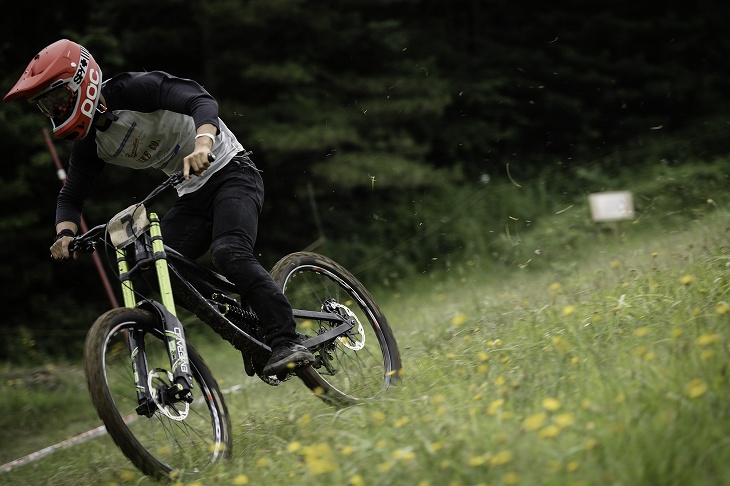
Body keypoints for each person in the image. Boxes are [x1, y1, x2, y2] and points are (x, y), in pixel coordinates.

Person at [4, 38, 314, 377]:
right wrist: (65, 233)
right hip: (191, 193)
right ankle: (240, 321)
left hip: (231, 171)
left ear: (83, 81)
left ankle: (287, 339)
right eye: (46, 106)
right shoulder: (90, 144)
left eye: (58, 99)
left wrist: (203, 143)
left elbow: (200, 100)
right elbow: (71, 197)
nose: (56, 110)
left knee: (229, 252)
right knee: (153, 263)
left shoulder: (135, 90)